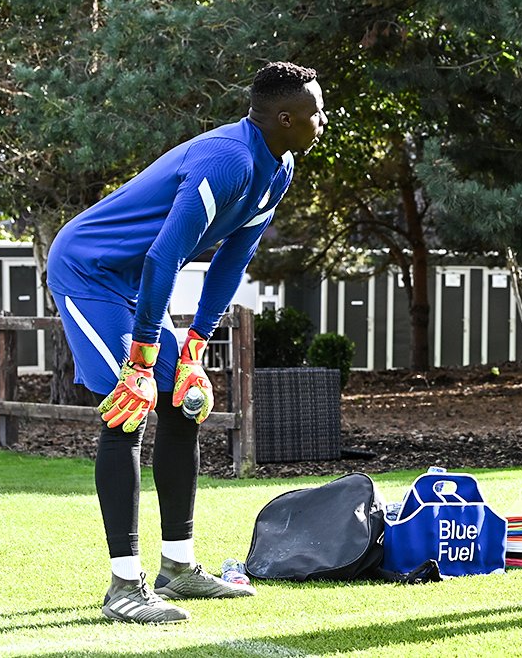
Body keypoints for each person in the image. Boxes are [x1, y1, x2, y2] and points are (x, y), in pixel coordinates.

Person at [46, 61, 325, 623]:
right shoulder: (229, 160)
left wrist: (196, 346)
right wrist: (142, 357)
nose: (326, 118)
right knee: (129, 407)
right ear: (286, 117)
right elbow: (163, 256)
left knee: (184, 403)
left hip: (135, 280)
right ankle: (124, 586)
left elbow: (233, 258)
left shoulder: (279, 166)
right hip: (90, 272)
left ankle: (177, 567)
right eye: (317, 109)